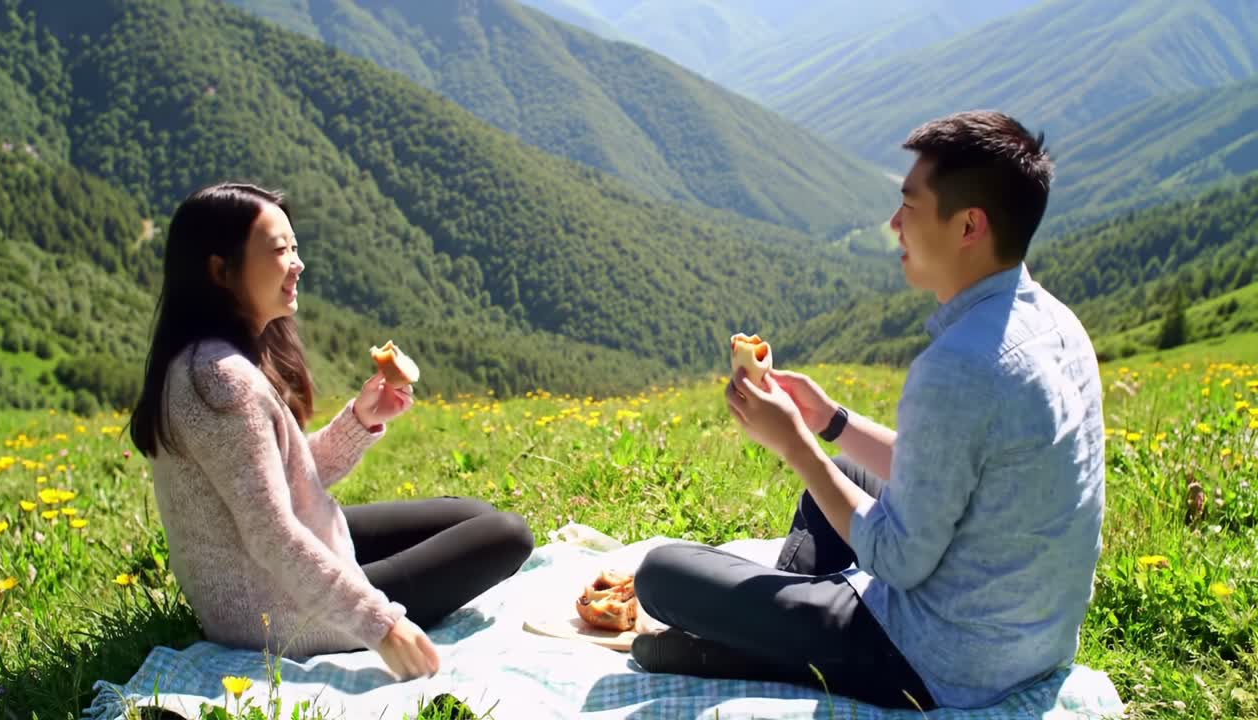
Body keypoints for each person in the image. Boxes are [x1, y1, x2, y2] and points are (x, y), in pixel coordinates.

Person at [631, 111, 1105, 710]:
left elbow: (899, 561)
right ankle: (778, 627)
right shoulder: (1058, 324)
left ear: (968, 225)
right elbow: (946, 472)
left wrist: (798, 444)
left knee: (660, 575)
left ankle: (764, 644)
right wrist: (832, 421)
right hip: (1033, 638)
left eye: (909, 206)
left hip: (940, 658)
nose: (894, 223)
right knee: (849, 474)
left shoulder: (960, 364)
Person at [128, 183, 534, 681]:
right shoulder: (220, 380)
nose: (297, 264)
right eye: (279, 251)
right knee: (507, 535)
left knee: (474, 516)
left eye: (295, 247)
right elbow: (271, 536)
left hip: (270, 571)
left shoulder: (212, 360)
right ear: (220, 270)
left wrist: (360, 420)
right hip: (277, 612)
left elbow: (274, 481)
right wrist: (381, 625)